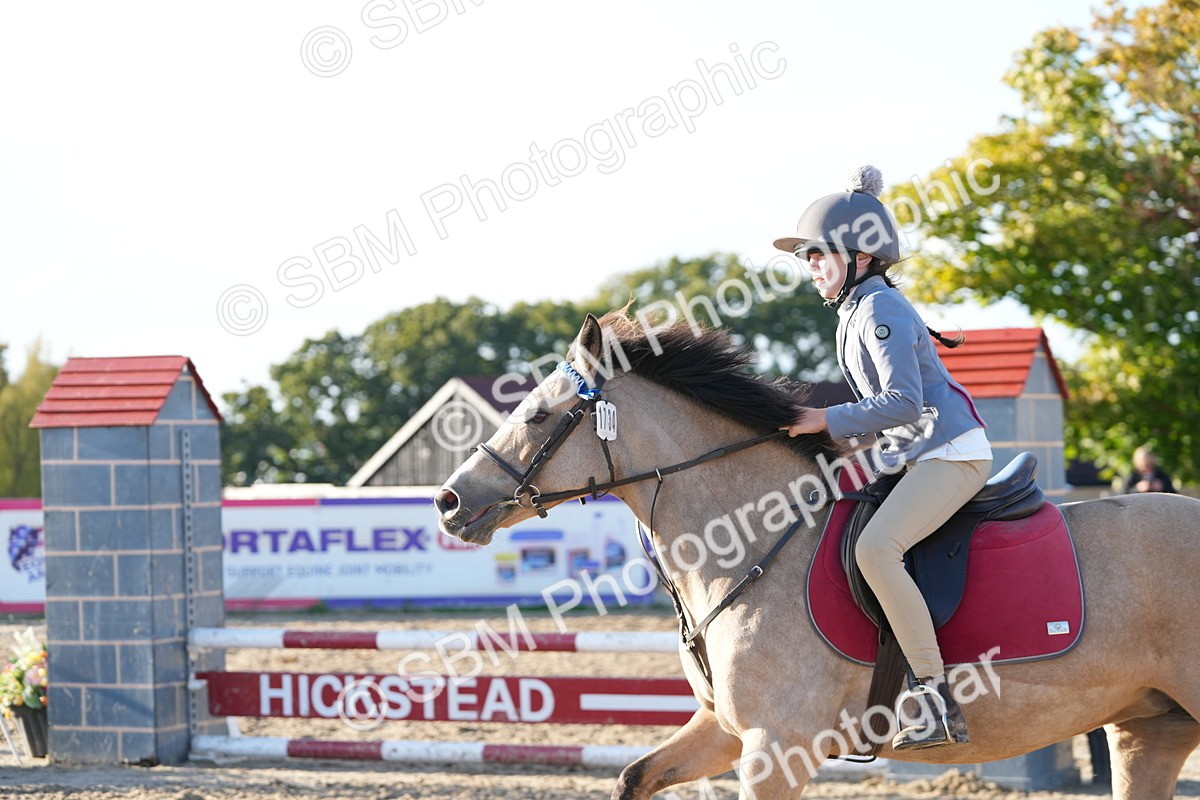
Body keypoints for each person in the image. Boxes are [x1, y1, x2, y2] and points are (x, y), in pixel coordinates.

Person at [774, 166, 992, 751]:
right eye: (808, 257)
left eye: (820, 255)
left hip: (950, 454)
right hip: (915, 455)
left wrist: (825, 419)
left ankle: (934, 697)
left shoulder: (877, 310)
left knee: (876, 548)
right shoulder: (857, 308)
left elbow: (902, 402)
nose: (811, 266)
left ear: (860, 257)